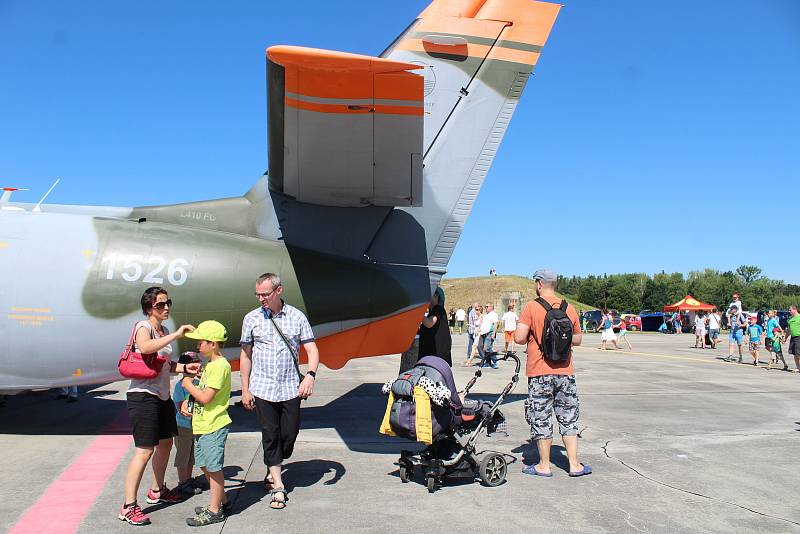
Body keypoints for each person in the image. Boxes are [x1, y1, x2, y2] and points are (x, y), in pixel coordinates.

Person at [119, 287, 199, 526]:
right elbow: (145, 348)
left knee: (165, 444)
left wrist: (186, 368)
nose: (166, 308)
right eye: (160, 305)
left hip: (161, 396)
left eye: (167, 303)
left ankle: (157, 490)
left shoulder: (162, 330)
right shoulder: (143, 328)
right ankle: (128, 506)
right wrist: (176, 334)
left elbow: (164, 365)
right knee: (145, 450)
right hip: (143, 397)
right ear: (148, 308)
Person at [240, 273, 320, 510]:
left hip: (290, 387)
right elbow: (246, 355)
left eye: (265, 294)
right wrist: (245, 388)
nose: (261, 298)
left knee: (289, 435)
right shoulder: (251, 318)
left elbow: (312, 350)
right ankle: (278, 486)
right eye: (258, 294)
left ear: (278, 290)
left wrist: (310, 376)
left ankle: (274, 464)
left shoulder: (297, 317)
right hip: (262, 387)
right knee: (270, 434)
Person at [515, 269, 590, 478]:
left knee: (542, 417)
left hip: (539, 372)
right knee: (568, 417)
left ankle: (544, 465)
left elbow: (520, 338)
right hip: (565, 372)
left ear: (539, 284)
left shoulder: (531, 307)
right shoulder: (569, 307)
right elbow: (577, 339)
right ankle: (574, 465)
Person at [181, 321, 233, 527]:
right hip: (202, 424)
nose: (197, 346)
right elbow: (199, 394)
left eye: (200, 342)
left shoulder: (220, 366)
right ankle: (222, 500)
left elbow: (206, 397)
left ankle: (214, 511)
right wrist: (188, 401)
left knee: (214, 467)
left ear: (213, 344)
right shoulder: (210, 365)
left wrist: (186, 383)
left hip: (214, 424)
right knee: (205, 464)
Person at [172, 352, 205, 499]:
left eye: (198, 362)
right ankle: (182, 482)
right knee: (183, 455)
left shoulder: (199, 383)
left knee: (191, 456)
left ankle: (188, 478)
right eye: (194, 362)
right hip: (183, 426)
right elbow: (181, 407)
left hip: (195, 426)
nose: (198, 365)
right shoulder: (181, 386)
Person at [418, 287, 453, 366]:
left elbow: (430, 323)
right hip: (433, 355)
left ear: (436, 296)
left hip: (436, 356)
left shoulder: (438, 309)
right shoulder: (432, 311)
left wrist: (418, 313)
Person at [478, 303, 498, 368]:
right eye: (485, 306)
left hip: (490, 333)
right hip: (483, 333)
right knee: (481, 348)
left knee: (487, 348)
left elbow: (495, 324)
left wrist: (494, 333)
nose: (485, 308)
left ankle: (495, 360)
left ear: (491, 307)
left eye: (487, 306)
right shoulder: (486, 315)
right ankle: (487, 362)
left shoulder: (494, 314)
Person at [787, 305, 800, 372]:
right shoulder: (790, 319)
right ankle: (798, 368)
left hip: (799, 337)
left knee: (798, 353)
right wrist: (785, 338)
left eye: (790, 310)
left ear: (795, 310)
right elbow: (788, 330)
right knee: (795, 353)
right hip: (793, 338)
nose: (789, 311)